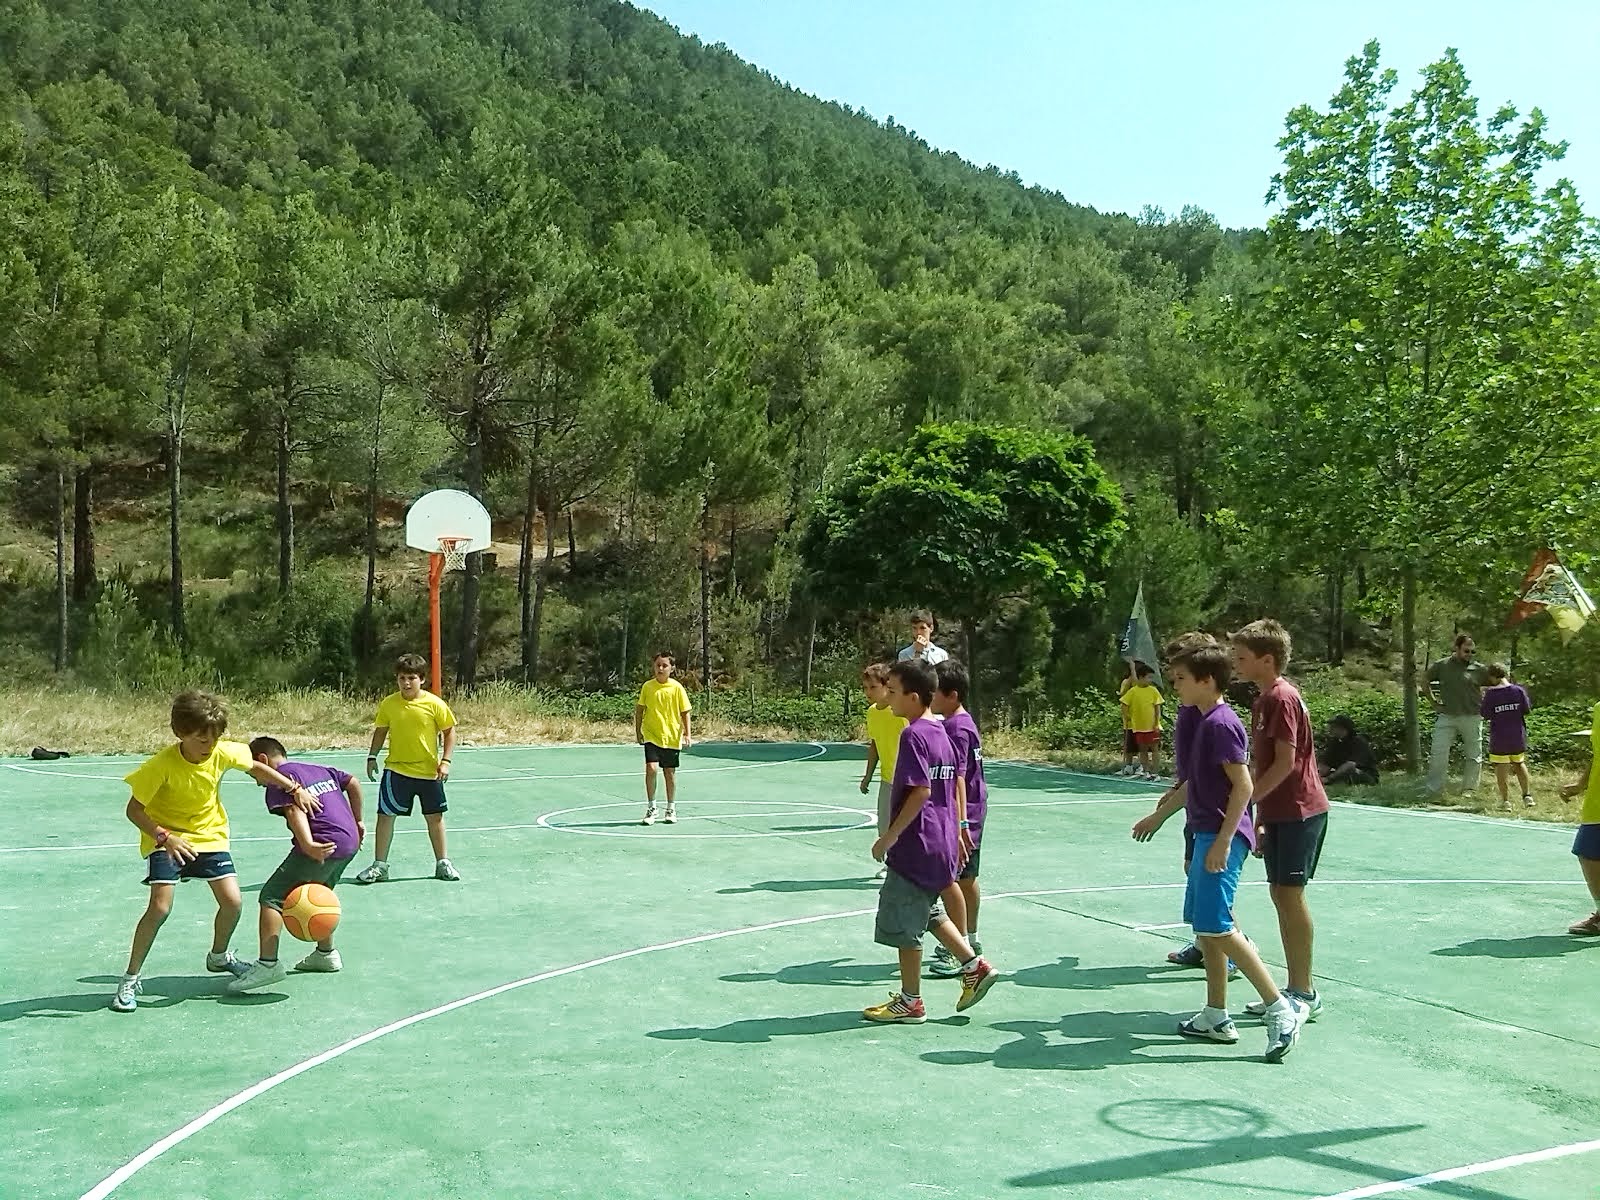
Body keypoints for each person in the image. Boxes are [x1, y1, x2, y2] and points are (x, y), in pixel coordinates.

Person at [1131, 640, 1303, 1061]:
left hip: (1219, 835)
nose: (1176, 686)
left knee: (1219, 926)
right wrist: (1159, 816)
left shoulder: (1222, 724)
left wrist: (1224, 840)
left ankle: (1280, 1010)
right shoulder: (1204, 720)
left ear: (1207, 681)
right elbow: (1195, 784)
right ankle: (1215, 1014)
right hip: (1205, 830)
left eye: (1182, 679)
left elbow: (1243, 785)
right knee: (1206, 928)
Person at [110, 691, 321, 1013]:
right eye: (201, 739)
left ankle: (219, 956)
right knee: (160, 908)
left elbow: (256, 768)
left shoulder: (222, 751)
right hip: (167, 838)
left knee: (233, 902)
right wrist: (165, 838)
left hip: (210, 836)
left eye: (214, 738)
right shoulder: (160, 766)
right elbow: (134, 810)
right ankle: (130, 978)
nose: (209, 745)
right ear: (181, 732)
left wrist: (294, 788)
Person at [863, 659, 999, 1023]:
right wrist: (957, 829)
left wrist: (889, 837)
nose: (888, 697)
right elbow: (953, 783)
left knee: (903, 922)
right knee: (928, 910)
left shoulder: (913, 736)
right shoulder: (941, 732)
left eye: (893, 692)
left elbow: (921, 790)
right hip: (940, 838)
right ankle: (973, 965)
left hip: (916, 842)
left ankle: (911, 1001)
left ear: (913, 697)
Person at [1230, 619, 1327, 1023]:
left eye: (1242, 657)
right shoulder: (1263, 699)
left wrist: (1246, 802)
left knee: (1290, 895)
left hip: (1301, 810)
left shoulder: (1282, 697)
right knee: (1279, 894)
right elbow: (1262, 763)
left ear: (1266, 660)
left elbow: (1286, 762)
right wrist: (1260, 815)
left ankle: (1305, 991)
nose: (1235, 663)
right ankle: (1293, 988)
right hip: (1279, 812)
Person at [228, 737, 365, 993]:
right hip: (349, 842)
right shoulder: (316, 769)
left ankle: (268, 964)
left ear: (262, 761)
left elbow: (293, 810)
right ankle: (325, 954)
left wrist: (308, 844)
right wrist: (358, 821)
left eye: (254, 773)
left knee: (272, 897)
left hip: (321, 842)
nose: (257, 781)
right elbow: (353, 782)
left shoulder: (281, 779)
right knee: (319, 893)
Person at [355, 653, 457, 883]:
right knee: (385, 816)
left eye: (411, 678)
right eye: (402, 678)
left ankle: (442, 863)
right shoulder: (389, 704)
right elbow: (381, 731)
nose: (406, 683)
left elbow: (449, 731)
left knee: (435, 817)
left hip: (429, 773)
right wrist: (372, 756)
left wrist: (446, 761)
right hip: (396, 772)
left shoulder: (434, 704)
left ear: (422, 679)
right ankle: (380, 866)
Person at [929, 659, 987, 977]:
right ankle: (971, 940)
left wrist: (960, 824)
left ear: (952, 695)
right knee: (966, 878)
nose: (930, 696)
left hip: (964, 813)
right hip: (974, 810)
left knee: (950, 881)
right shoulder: (963, 722)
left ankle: (959, 947)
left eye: (935, 691)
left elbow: (958, 778)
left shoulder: (955, 728)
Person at [1425, 633, 1490, 797]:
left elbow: (1497, 682)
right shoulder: (1442, 665)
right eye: (1466, 651)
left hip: (1472, 716)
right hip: (1447, 716)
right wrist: (1434, 702)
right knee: (1438, 753)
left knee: (1474, 755)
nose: (1470, 655)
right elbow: (1425, 680)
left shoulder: (1479, 669)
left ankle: (1469, 789)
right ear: (1456, 648)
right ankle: (1434, 789)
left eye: (1472, 652)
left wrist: (1488, 703)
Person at [859, 662, 907, 878]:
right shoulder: (872, 713)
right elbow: (875, 745)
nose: (868, 692)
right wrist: (867, 776)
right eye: (865, 688)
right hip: (887, 778)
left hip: (908, 780)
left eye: (873, 687)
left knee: (907, 824)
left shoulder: (900, 711)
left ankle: (909, 867)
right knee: (884, 825)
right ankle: (893, 865)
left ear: (887, 686)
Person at [635, 652, 693, 826]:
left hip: (671, 737)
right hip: (651, 735)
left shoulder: (677, 688)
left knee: (669, 772)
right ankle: (652, 807)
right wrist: (638, 731)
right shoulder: (647, 687)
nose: (660, 668)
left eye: (664, 665)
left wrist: (687, 734)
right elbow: (640, 710)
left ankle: (671, 808)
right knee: (651, 769)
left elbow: (685, 712)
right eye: (658, 665)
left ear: (671, 668)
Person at [1559, 701, 1600, 935]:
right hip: (1597, 799)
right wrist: (1581, 784)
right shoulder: (1599, 709)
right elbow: (1598, 753)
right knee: (1588, 852)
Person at [1480, 664, 1534, 809]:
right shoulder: (1519, 690)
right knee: (1519, 763)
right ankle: (1527, 796)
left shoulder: (1491, 694)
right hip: (1517, 734)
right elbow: (1526, 710)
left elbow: (1485, 714)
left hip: (1499, 736)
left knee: (1501, 767)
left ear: (1492, 677)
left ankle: (1505, 801)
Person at [1120, 662, 1165, 779]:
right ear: (1141, 677)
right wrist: (1127, 716)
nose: (1150, 680)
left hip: (1152, 726)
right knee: (1142, 750)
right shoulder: (1133, 691)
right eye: (1148, 677)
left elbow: (1157, 708)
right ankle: (1146, 771)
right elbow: (1124, 703)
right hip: (1139, 727)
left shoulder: (1153, 690)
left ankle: (1155, 772)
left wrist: (1156, 723)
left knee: (1154, 749)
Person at [1319, 716, 1379, 787]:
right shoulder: (1335, 743)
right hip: (1342, 773)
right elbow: (1326, 764)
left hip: (1364, 774)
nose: (1330, 729)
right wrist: (1318, 777)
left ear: (1342, 728)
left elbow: (1350, 765)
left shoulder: (1358, 742)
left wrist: (1328, 779)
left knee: (1350, 772)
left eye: (1333, 727)